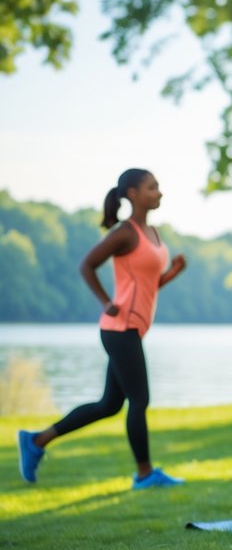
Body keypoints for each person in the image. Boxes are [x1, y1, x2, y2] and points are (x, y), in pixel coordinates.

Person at [17, 169, 188, 489]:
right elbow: (87, 265)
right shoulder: (126, 233)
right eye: (152, 188)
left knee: (110, 404)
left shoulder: (153, 232)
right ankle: (145, 474)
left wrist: (173, 273)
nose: (159, 192)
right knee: (139, 400)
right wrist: (105, 301)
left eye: (158, 187)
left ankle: (37, 440)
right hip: (119, 327)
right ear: (133, 194)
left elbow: (149, 285)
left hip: (132, 329)